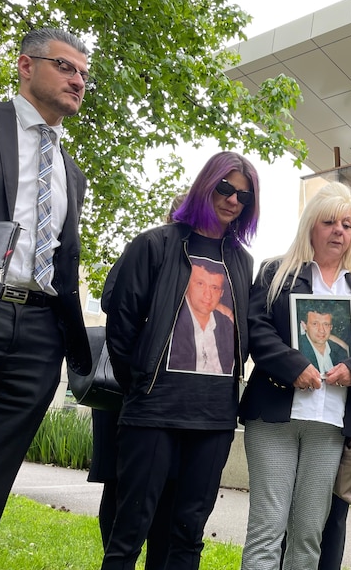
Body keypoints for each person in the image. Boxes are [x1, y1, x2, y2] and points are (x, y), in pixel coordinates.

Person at [0, 27, 93, 570]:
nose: (78, 81)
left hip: (39, 335)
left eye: (84, 75)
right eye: (67, 67)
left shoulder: (72, 172)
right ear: (25, 65)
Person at [101, 151, 258, 570]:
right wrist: (139, 385)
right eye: (225, 188)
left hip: (214, 418)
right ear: (206, 185)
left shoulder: (242, 262)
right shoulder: (156, 244)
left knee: (187, 536)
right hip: (154, 410)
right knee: (129, 531)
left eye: (244, 196)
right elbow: (122, 325)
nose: (232, 200)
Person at [239, 181, 351, 570]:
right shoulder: (276, 273)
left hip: (331, 424)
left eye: (347, 224)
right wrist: (295, 366)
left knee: (308, 535)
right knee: (267, 529)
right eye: (329, 222)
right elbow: (257, 330)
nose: (339, 230)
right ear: (311, 227)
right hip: (275, 419)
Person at [88, 192, 187, 569]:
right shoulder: (148, 248)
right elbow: (114, 300)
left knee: (170, 492)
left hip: (175, 394)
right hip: (129, 389)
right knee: (121, 487)